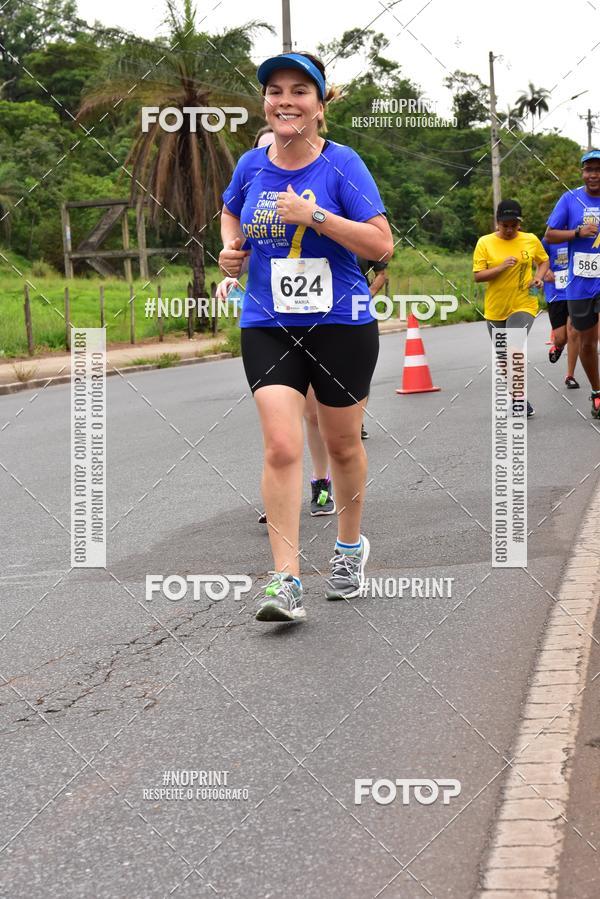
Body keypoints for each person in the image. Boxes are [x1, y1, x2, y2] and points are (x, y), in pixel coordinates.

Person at [218, 51, 393, 621]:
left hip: (341, 323)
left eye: (299, 91)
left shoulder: (344, 165)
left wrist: (314, 217)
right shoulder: (251, 165)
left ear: (320, 106)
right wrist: (231, 253)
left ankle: (349, 548)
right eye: (275, 90)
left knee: (342, 445)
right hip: (268, 322)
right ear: (265, 102)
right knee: (282, 445)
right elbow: (230, 212)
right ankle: (285, 580)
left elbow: (380, 244)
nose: (285, 100)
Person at [473, 199, 549, 417]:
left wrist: (538, 277)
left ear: (519, 223)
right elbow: (478, 276)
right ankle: (518, 397)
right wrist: (501, 267)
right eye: (505, 225)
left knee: (514, 348)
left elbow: (543, 261)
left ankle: (518, 399)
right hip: (495, 307)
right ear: (497, 223)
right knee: (503, 356)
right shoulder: (484, 243)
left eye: (513, 225)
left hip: (524, 302)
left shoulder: (530, 240)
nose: (509, 229)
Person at [545, 149, 600, 418]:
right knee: (587, 343)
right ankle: (597, 392)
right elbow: (550, 235)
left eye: (598, 169)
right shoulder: (570, 199)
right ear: (582, 172)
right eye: (589, 169)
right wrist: (577, 232)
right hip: (580, 283)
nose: (594, 175)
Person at [541, 238, 580, 388]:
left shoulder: (578, 236)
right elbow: (537, 259)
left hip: (576, 292)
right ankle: (558, 346)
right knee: (561, 338)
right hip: (556, 294)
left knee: (574, 332)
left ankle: (570, 375)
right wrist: (547, 270)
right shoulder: (548, 239)